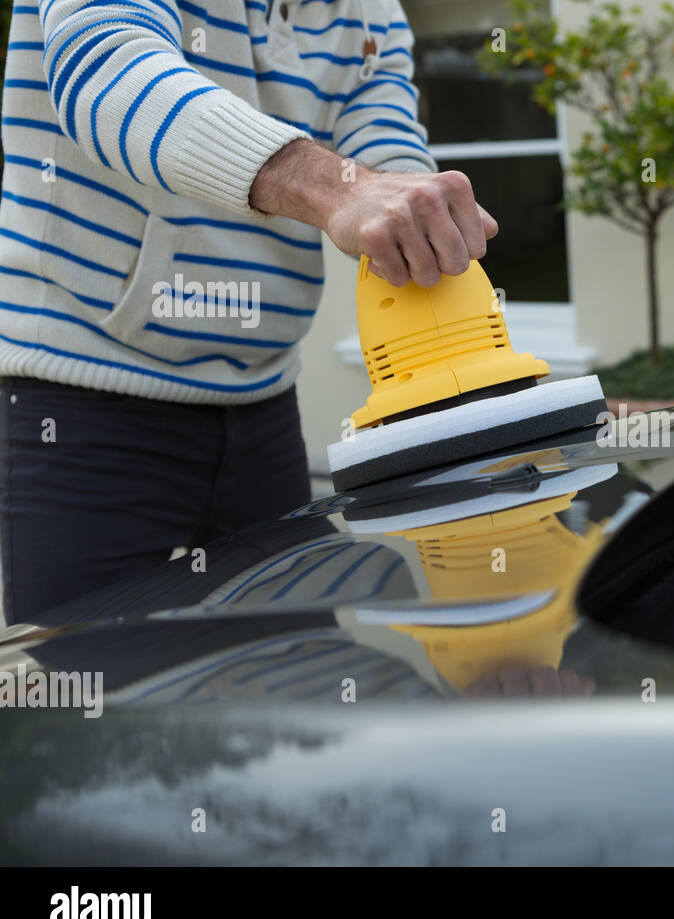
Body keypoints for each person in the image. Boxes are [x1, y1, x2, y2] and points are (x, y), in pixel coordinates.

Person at [0, 0, 496, 622]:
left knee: (291, 684)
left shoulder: (371, 12)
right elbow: (104, 66)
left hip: (263, 406)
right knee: (92, 698)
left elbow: (386, 153)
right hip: (83, 403)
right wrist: (334, 188)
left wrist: (417, 221)